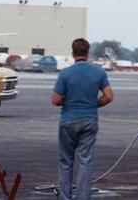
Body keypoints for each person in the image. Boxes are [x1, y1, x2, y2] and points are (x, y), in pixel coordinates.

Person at [52, 38, 113, 200]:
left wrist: (69, 101)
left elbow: (55, 100)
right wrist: (94, 104)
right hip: (89, 119)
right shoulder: (99, 73)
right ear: (87, 53)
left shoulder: (65, 74)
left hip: (68, 120)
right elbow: (109, 96)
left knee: (66, 161)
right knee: (85, 161)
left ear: (73, 53)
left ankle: (65, 197)